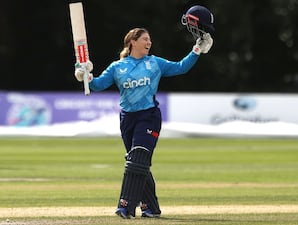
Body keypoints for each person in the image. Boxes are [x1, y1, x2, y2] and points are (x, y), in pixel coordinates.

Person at [74, 27, 213, 218]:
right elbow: (97, 84)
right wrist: (84, 75)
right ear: (133, 42)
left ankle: (125, 206)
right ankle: (151, 208)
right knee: (138, 162)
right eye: (145, 39)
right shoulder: (117, 67)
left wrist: (196, 50)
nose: (149, 43)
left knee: (137, 158)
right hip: (127, 119)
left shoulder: (154, 63)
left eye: (149, 39)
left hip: (149, 116)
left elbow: (181, 67)